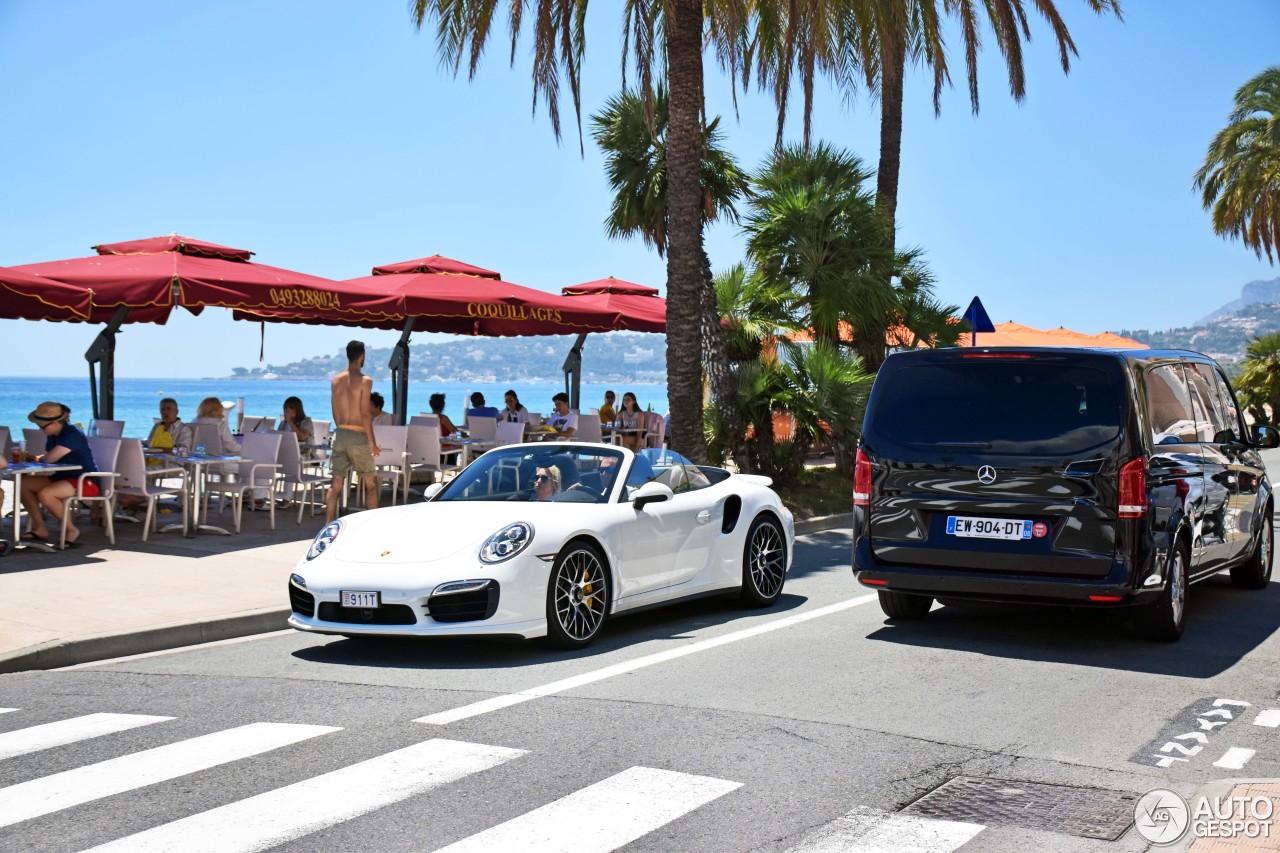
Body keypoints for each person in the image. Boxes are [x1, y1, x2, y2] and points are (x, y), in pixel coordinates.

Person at [21, 401, 99, 548]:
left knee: (46, 493)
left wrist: (37, 458)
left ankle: (71, 530)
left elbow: (50, 458)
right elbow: (50, 457)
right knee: (24, 484)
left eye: (43, 426)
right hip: (62, 477)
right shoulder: (54, 435)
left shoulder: (72, 433)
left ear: (56, 422)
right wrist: (39, 458)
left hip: (85, 480)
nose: (41, 430)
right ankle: (40, 528)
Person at [325, 340, 381, 523]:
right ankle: (372, 523)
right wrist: (372, 443)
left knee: (336, 484)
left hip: (340, 433)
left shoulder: (335, 381)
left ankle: (327, 523)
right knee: (370, 483)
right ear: (362, 355)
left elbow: (334, 411)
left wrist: (342, 428)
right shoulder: (366, 381)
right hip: (358, 436)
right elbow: (365, 414)